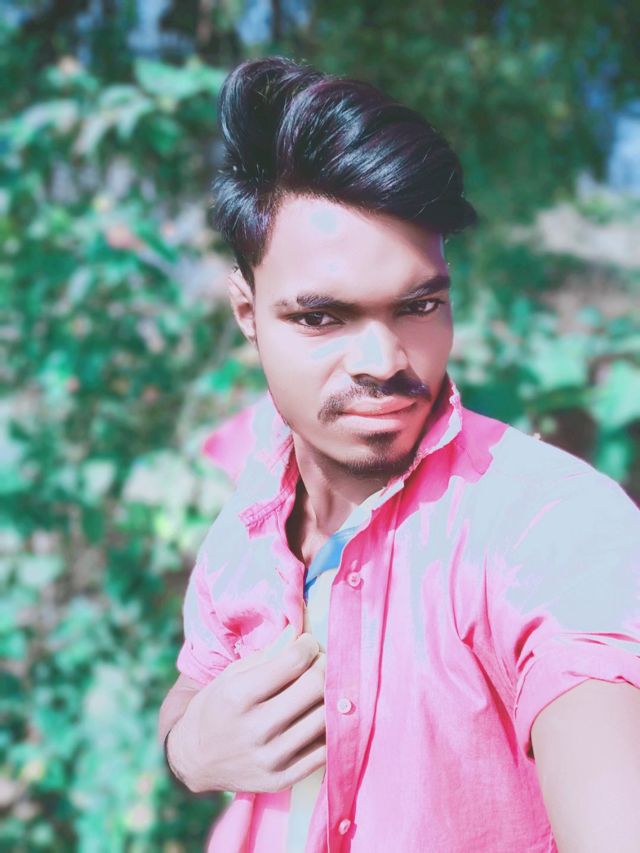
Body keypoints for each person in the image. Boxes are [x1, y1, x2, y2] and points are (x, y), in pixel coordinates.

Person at [157, 56, 640, 852]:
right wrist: (188, 748)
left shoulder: (546, 523)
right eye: (322, 317)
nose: (384, 360)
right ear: (247, 312)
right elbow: (196, 680)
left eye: (419, 305)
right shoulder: (254, 505)